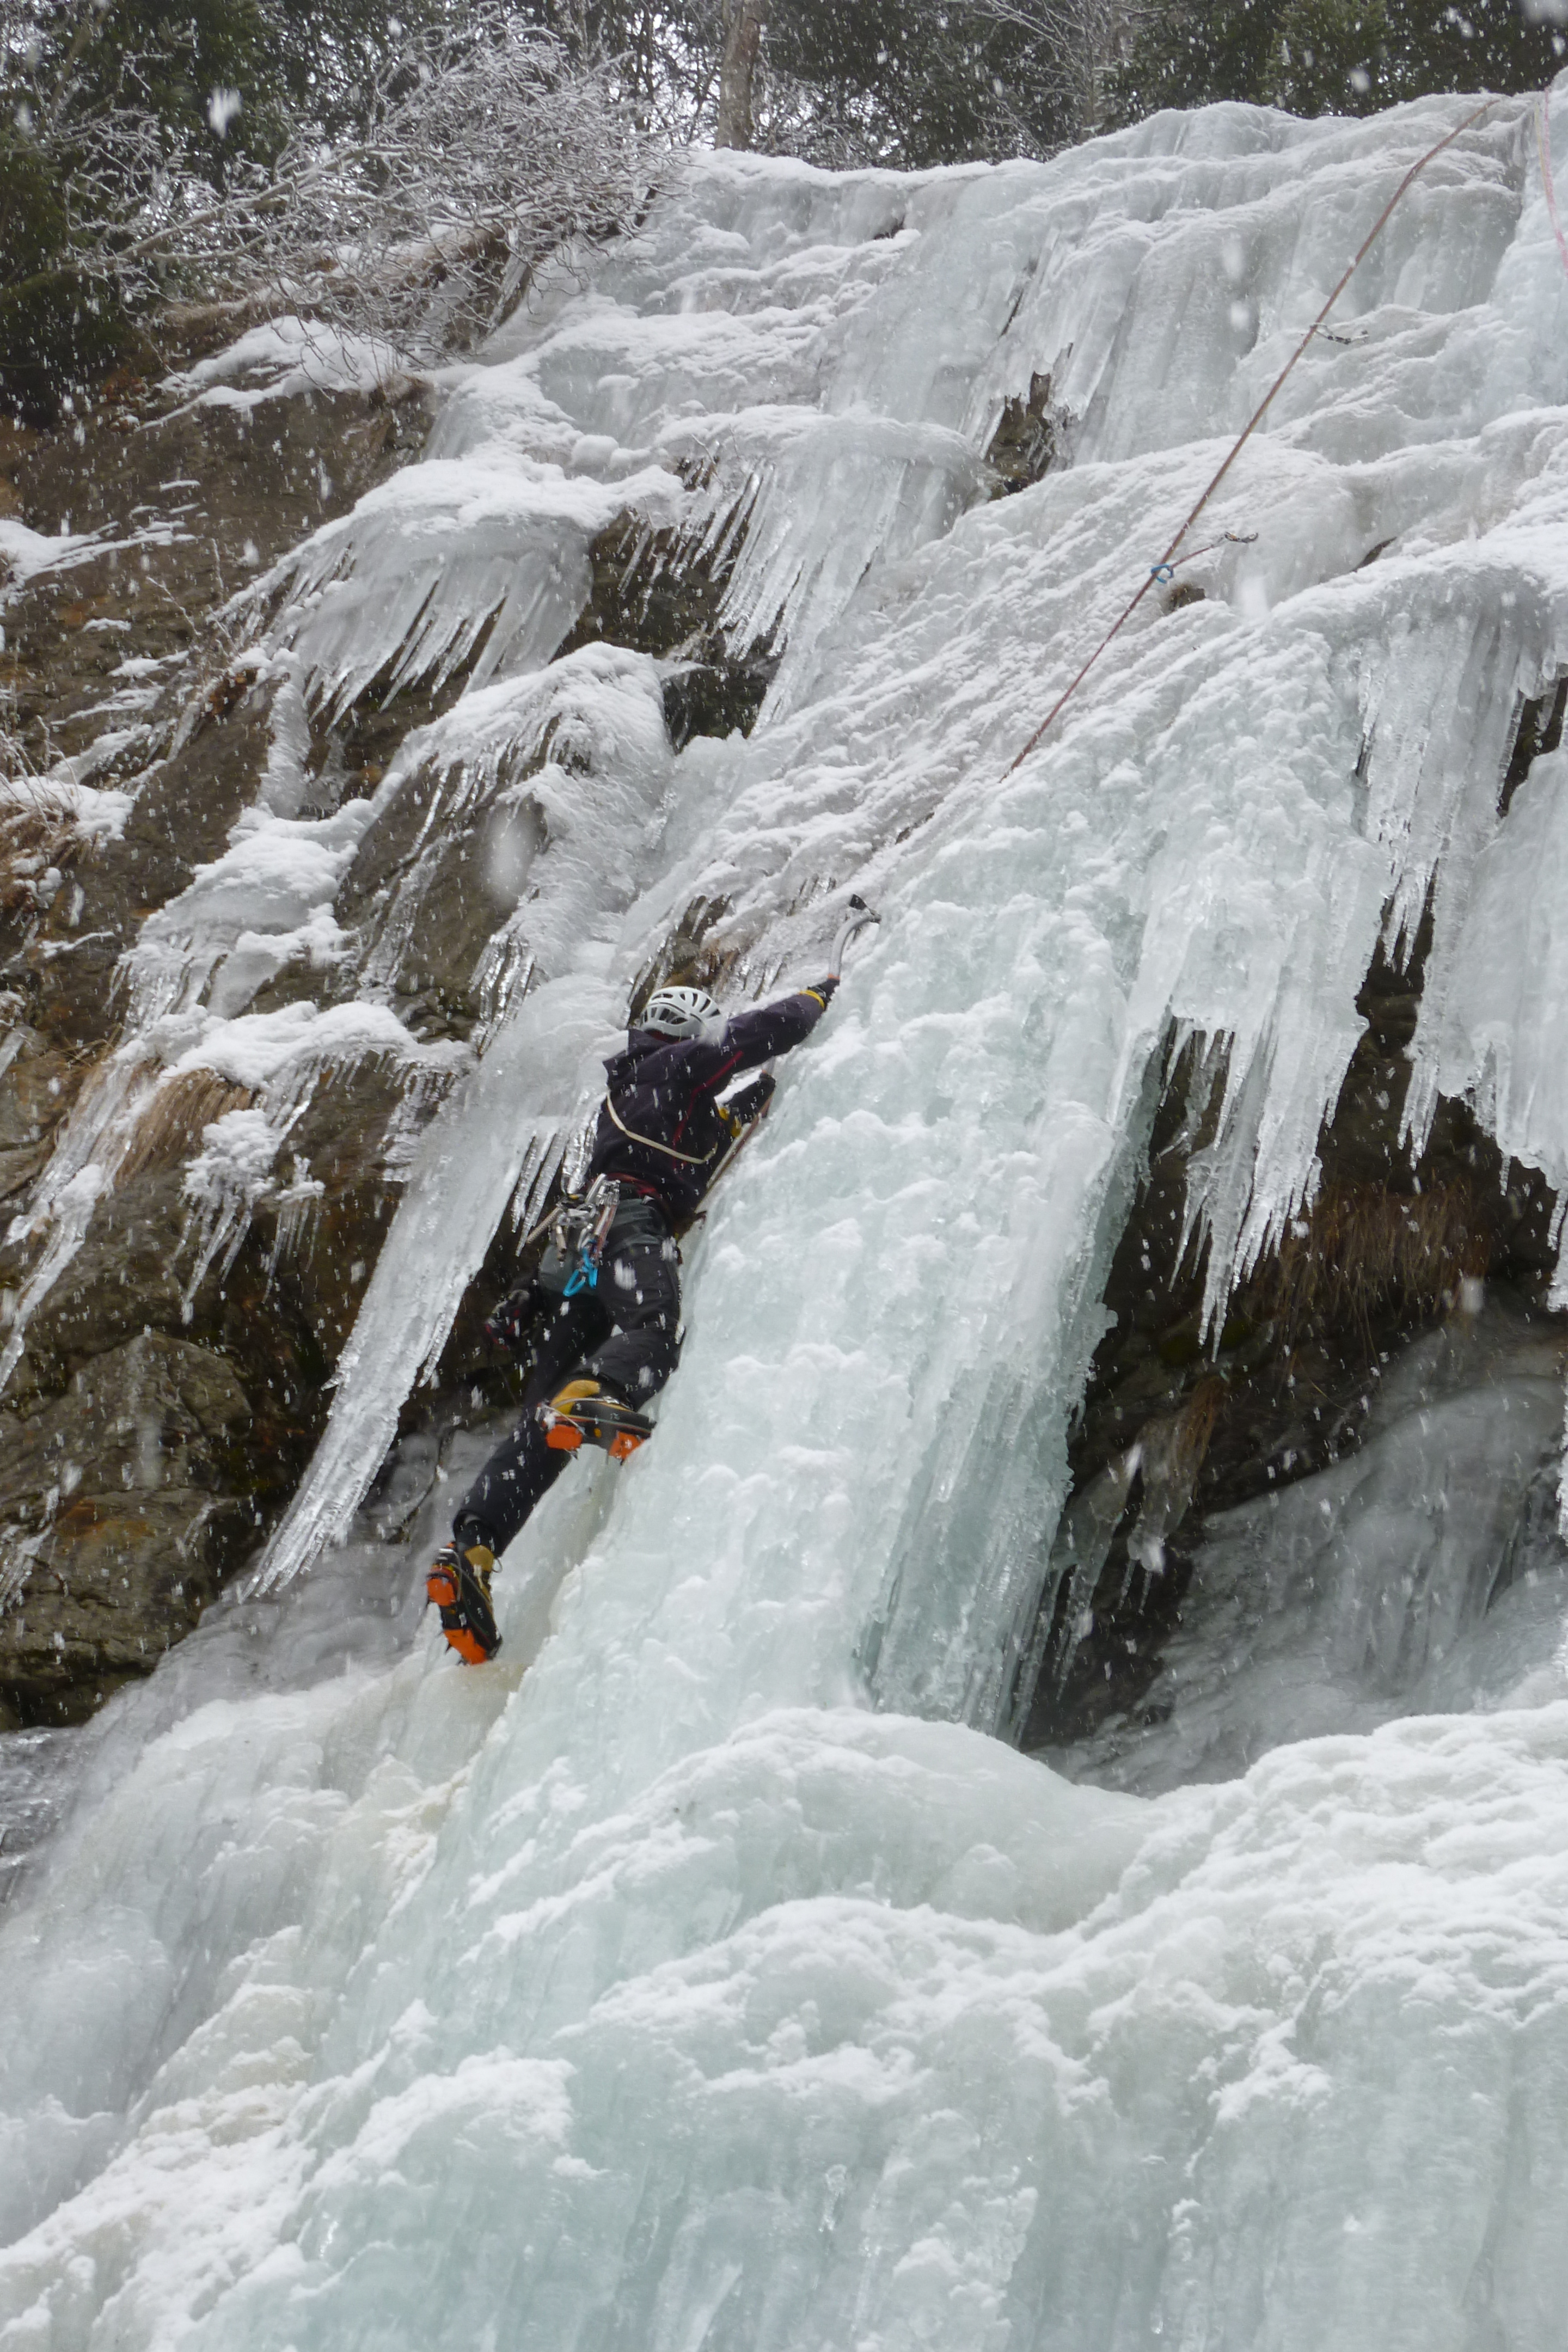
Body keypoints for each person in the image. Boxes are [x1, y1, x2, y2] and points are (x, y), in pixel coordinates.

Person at [426, 966, 844, 1663]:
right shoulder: (677, 1064)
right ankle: (598, 1396)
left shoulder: (630, 1097)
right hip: (629, 1231)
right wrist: (817, 998)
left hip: (581, 1258)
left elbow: (708, 1138)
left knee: (537, 1432)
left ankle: (472, 1550)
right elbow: (754, 1038)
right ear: (684, 1034)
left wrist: (530, 1299)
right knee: (651, 1333)